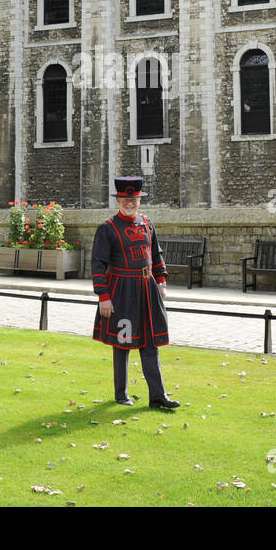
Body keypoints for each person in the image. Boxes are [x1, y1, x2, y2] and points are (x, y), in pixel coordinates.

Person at [91, 175, 180, 409]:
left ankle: (158, 396)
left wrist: (160, 281)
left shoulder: (147, 223)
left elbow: (156, 253)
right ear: (118, 200)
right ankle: (121, 395)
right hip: (121, 291)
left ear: (139, 199)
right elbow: (98, 264)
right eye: (125, 199)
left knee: (150, 343)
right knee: (123, 343)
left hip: (147, 290)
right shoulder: (107, 229)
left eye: (134, 199)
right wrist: (103, 296)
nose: (130, 203)